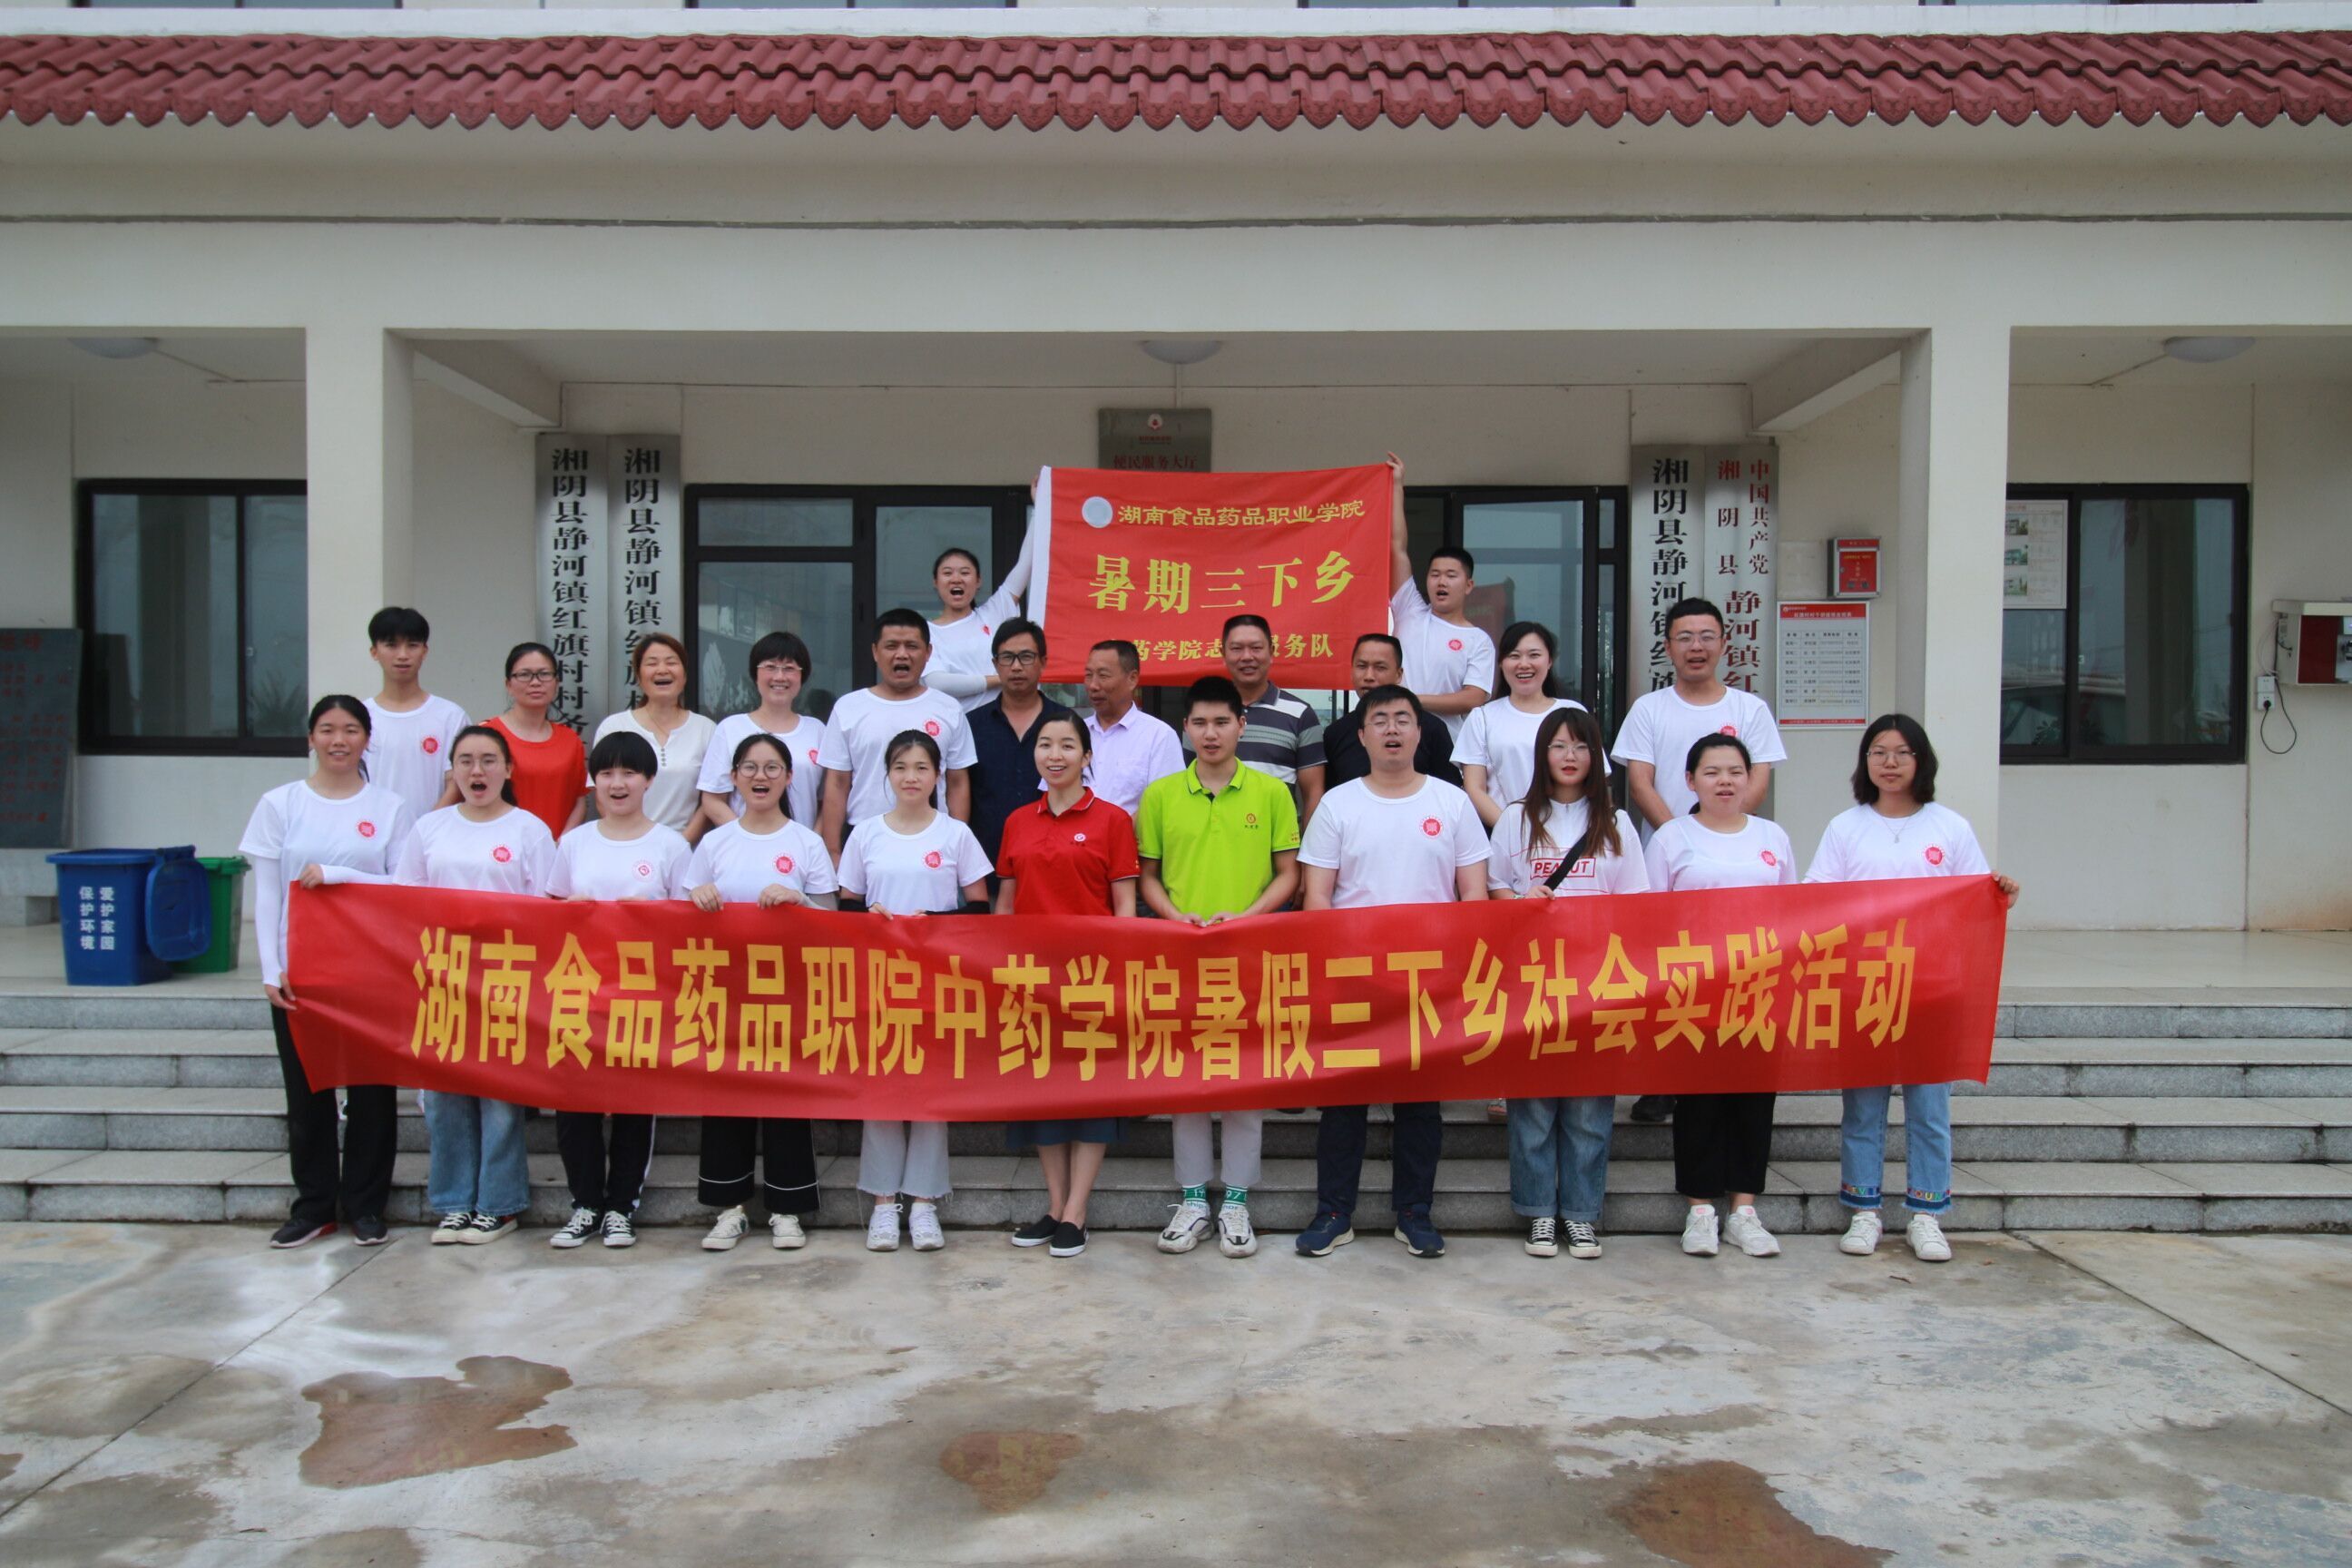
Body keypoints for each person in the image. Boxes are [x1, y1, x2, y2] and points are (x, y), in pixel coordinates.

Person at [1808, 714, 2021, 1265]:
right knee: (1863, 1107)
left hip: (1931, 985)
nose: (1890, 763)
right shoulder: (1845, 828)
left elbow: (1974, 898)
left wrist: (1999, 893)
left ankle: (1927, 1213)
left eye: (1902, 752)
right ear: (1865, 762)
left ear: (1921, 761)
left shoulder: (1949, 827)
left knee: (1928, 1107)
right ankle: (1864, 1211)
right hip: (1866, 985)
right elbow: (1816, 901)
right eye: (1879, 752)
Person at [1294, 686, 1489, 1260]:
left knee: (1421, 1104)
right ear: (1362, 736)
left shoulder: (1452, 803)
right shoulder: (1339, 804)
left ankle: (1414, 1212)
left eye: (1403, 719)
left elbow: (1473, 895)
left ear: (1420, 732)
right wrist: (1336, 967)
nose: (1393, 730)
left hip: (1430, 979)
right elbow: (1317, 897)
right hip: (1354, 977)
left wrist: (1456, 969)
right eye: (1379, 721)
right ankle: (1334, 1212)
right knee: (1343, 1100)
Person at [239, 695, 412, 1249]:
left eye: (352, 730)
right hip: (302, 970)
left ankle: (366, 1205)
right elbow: (267, 892)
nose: (340, 740)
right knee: (306, 1090)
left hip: (371, 969)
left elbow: (404, 885)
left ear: (367, 740)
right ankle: (313, 1206)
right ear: (311, 738)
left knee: (372, 1093)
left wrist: (338, 874)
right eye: (328, 730)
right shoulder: (280, 803)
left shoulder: (389, 807)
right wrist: (272, 968)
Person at [1137, 676, 1300, 1260]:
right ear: (1186, 729)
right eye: (1200, 723)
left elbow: (1289, 873)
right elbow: (1148, 877)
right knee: (1185, 1081)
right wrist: (1175, 918)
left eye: (1222, 722)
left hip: (1249, 956)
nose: (1211, 733)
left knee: (1243, 1080)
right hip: (1180, 957)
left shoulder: (1271, 793)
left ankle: (1235, 1200)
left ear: (1241, 726)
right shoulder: (1160, 795)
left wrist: (1247, 920)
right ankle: (1191, 1200)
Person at [1611, 595, 1787, 1126]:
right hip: (1671, 866)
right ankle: (1662, 1082)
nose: (1696, 647)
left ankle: (1734, 1073)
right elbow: (1639, 782)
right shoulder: (1649, 709)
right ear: (1668, 647)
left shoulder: (1749, 710)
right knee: (1668, 974)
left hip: (1737, 871)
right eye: (1684, 637)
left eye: (1707, 636)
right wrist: (1682, 838)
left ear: (1724, 644)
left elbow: (1757, 782)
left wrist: (1714, 832)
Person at [1486, 707, 1648, 1262]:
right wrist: (1520, 900)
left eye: (1581, 746)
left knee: (1588, 1109)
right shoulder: (1515, 818)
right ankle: (1537, 1212)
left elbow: (1635, 904)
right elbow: (1493, 889)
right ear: (1543, 755)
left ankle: (1580, 1215)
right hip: (1531, 979)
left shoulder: (1617, 823)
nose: (1570, 756)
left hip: (1597, 980)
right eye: (1558, 746)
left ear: (1596, 755)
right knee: (1532, 1107)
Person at [397, 725, 556, 1246]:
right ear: (452, 771)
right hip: (443, 977)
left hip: (506, 980)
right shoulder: (430, 828)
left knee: (499, 1098)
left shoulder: (530, 830)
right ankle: (453, 1203)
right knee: (445, 1097)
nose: (477, 771)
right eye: (465, 761)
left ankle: (499, 1206)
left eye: (489, 760)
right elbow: (405, 901)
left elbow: (547, 910)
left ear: (508, 770)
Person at [837, 730, 992, 1254]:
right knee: (881, 1086)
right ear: (887, 774)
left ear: (938, 776)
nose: (911, 777)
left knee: (930, 1089)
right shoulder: (865, 833)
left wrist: (937, 922)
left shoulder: (955, 834)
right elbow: (847, 905)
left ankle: (924, 1202)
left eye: (922, 768)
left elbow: (979, 908)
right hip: (879, 980)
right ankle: (884, 1203)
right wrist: (871, 916)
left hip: (938, 981)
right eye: (901, 767)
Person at [1643, 733, 1797, 1263]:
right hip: (1694, 989)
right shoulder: (1671, 838)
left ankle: (1745, 1211)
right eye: (1712, 772)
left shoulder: (1772, 836)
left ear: (1750, 779)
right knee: (1699, 1101)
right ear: (1690, 781)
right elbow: (1650, 918)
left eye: (1735, 771)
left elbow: (1793, 912)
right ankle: (1701, 1209)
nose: (1725, 782)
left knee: (1754, 1099)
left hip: (1760, 986)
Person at [683, 732, 838, 1254]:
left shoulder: (805, 842)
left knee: (784, 1095)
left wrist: (799, 900)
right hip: (725, 990)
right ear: (733, 778)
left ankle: (787, 1209)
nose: (761, 777)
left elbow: (832, 918)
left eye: (773, 768)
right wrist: (699, 896)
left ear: (790, 778)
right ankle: (729, 1209)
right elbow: (682, 916)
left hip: (788, 991)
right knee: (725, 1094)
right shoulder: (715, 842)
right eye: (749, 767)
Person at [995, 712, 1140, 1259]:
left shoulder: (1112, 820)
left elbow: (1125, 906)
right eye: (1045, 745)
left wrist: (1121, 974)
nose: (1054, 755)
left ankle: (1077, 1211)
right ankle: (1055, 1207)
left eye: (1067, 746)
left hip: (1091, 980)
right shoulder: (1017, 821)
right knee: (1043, 1094)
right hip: (1031, 979)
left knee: (1090, 1096)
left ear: (1087, 756)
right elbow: (1005, 902)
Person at [544, 730, 695, 1252]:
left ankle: (621, 1207)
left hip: (641, 996)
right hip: (579, 994)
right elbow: (549, 917)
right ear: (594, 782)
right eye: (606, 773)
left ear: (649, 780)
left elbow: (687, 926)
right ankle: (585, 1204)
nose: (617, 783)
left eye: (629, 773)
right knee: (575, 1104)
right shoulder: (574, 843)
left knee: (633, 1104)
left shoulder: (671, 846)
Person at [818, 610, 976, 862]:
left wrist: (958, 848)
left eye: (912, 646)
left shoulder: (949, 709)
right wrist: (833, 852)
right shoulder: (848, 708)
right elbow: (837, 783)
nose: (902, 654)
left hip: (934, 843)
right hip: (864, 840)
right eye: (891, 646)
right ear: (875, 652)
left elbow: (957, 783)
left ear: (928, 653)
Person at [1385, 454, 1495, 743]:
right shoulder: (1410, 610)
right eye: (1435, 574)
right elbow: (1396, 547)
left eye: (1450, 575)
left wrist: (1409, 700)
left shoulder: (1478, 640)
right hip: (1395, 739)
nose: (1441, 581)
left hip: (1446, 746)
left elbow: (1472, 697)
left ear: (1468, 585)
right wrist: (1397, 486)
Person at [1455, 622, 1592, 829]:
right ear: (1501, 663)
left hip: (1569, 834)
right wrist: (1514, 832)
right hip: (1505, 836)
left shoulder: (1572, 712)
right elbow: (1474, 788)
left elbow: (1594, 780)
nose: (1524, 664)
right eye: (1514, 656)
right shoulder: (1482, 717)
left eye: (1534, 655)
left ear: (1549, 661)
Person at [965, 618, 1071, 877]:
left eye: (1026, 657)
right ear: (995, 664)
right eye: (1007, 658)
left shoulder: (1066, 723)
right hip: (985, 867)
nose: (1016, 666)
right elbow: (960, 790)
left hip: (1054, 865)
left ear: (1043, 662)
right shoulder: (971, 725)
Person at [698, 631, 828, 833]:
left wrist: (811, 842)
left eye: (789, 668)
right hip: (742, 848)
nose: (780, 677)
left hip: (802, 848)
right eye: (770, 667)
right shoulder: (731, 728)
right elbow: (712, 799)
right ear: (755, 674)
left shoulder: (818, 730)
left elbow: (827, 801)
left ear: (802, 676)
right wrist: (747, 839)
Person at [592, 632, 717, 842]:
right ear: (638, 676)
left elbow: (710, 799)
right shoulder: (614, 727)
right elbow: (602, 795)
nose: (662, 670)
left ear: (685, 675)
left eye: (671, 662)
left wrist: (681, 845)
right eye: (652, 663)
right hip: (626, 843)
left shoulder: (706, 729)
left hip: (684, 846)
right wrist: (635, 842)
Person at [360, 606, 468, 826]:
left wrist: (424, 829)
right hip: (371, 835)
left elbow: (457, 782)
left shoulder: (450, 716)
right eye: (391, 645)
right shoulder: (360, 717)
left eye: (412, 645)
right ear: (374, 652)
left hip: (433, 835)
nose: (402, 655)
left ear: (424, 651)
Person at [1218, 614, 1326, 821]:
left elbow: (1313, 793)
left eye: (1256, 648)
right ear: (1223, 653)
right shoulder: (1204, 713)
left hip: (1277, 836)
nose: (1247, 657)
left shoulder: (1301, 714)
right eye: (1237, 648)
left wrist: (1308, 841)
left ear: (1272, 652)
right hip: (1215, 834)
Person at [477, 642, 590, 839]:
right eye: (524, 674)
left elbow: (579, 800)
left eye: (544, 674)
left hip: (556, 850)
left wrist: (561, 843)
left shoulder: (570, 739)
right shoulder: (486, 735)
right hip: (501, 848)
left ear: (556, 682)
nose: (536, 682)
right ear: (508, 685)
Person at [1324, 633, 1461, 789]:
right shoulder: (1335, 733)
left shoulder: (1431, 728)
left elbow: (1450, 790)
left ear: (1399, 674)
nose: (1369, 676)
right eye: (1362, 666)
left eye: (1380, 668)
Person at [924, 533, 1035, 712]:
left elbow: (1027, 562)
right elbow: (938, 683)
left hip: (1006, 720)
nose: (956, 579)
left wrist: (1039, 515)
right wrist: (1002, 678)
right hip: (959, 723)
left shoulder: (993, 613)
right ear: (936, 582)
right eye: (947, 573)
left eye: (965, 573)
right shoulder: (927, 632)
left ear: (978, 581)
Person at [1076, 640, 1185, 817]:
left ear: (1132, 679)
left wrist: (1116, 829)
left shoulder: (1159, 736)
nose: (1093, 685)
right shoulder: (1075, 732)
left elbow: (1166, 803)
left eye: (1103, 676)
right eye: (1088, 675)